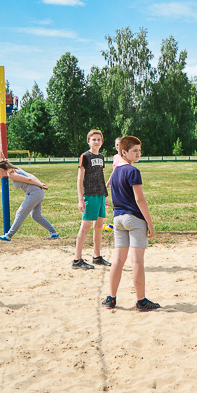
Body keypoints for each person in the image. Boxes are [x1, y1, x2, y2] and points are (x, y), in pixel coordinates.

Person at [100, 136, 158, 311]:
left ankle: (111, 298)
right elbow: (139, 199)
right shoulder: (133, 171)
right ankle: (141, 301)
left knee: (118, 261)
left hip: (118, 219)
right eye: (134, 150)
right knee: (137, 262)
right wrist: (150, 222)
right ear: (123, 152)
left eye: (139, 150)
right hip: (133, 219)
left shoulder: (116, 171)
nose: (138, 153)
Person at [73, 129, 111, 270]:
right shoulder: (85, 156)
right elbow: (80, 179)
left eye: (99, 139)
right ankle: (77, 259)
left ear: (102, 142)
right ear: (88, 141)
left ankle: (97, 256)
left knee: (99, 226)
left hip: (100, 195)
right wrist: (81, 199)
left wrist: (104, 196)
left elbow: (100, 178)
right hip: (89, 195)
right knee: (85, 227)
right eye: (93, 139)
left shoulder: (101, 157)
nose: (96, 142)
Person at [0, 161, 59, 241]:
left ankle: (8, 236)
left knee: (20, 213)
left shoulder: (11, 174)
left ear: (1, 169)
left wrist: (40, 184)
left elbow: (29, 179)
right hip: (38, 193)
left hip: (34, 194)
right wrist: (40, 184)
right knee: (35, 215)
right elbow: (31, 175)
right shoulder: (14, 170)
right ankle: (54, 233)